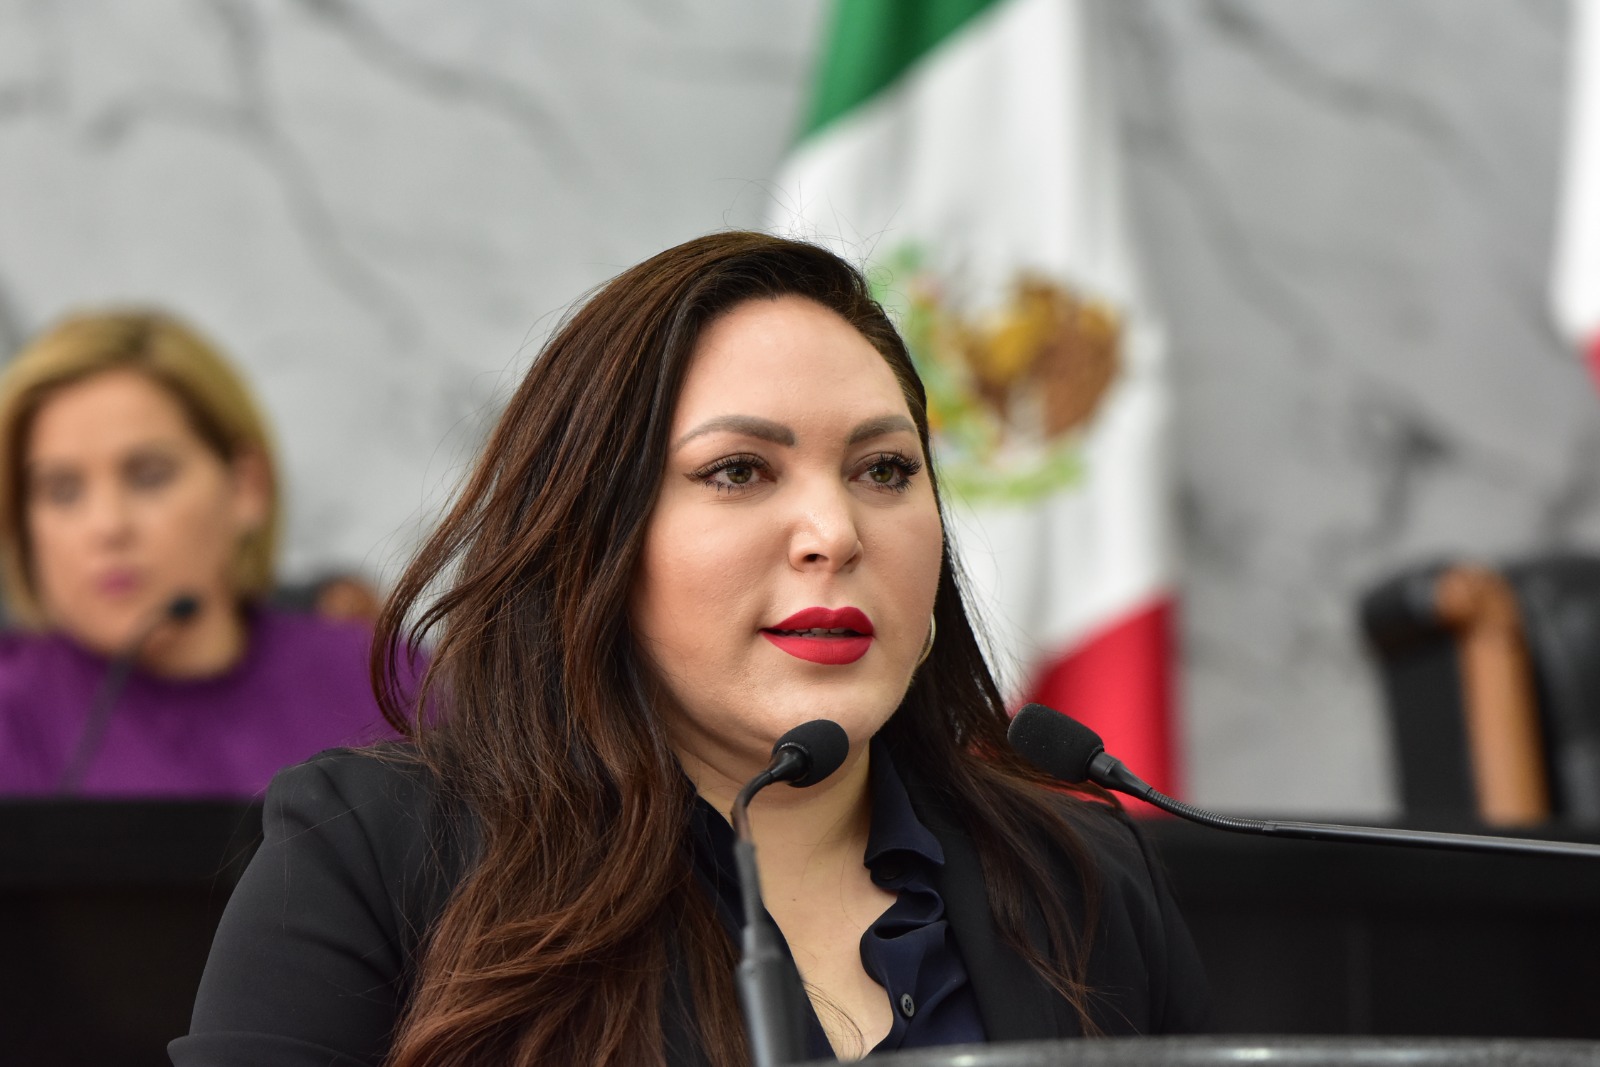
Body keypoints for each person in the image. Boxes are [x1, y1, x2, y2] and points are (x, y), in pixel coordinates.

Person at [173, 233, 1207, 1065]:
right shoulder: (376, 852)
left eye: (885, 469)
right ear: (597, 541)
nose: (835, 532)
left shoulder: (1083, 875)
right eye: (739, 471)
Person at [0, 310, 393, 796]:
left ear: (246, 486)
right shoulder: (12, 714)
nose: (108, 526)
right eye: (62, 491)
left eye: (149, 477)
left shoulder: (384, 682)